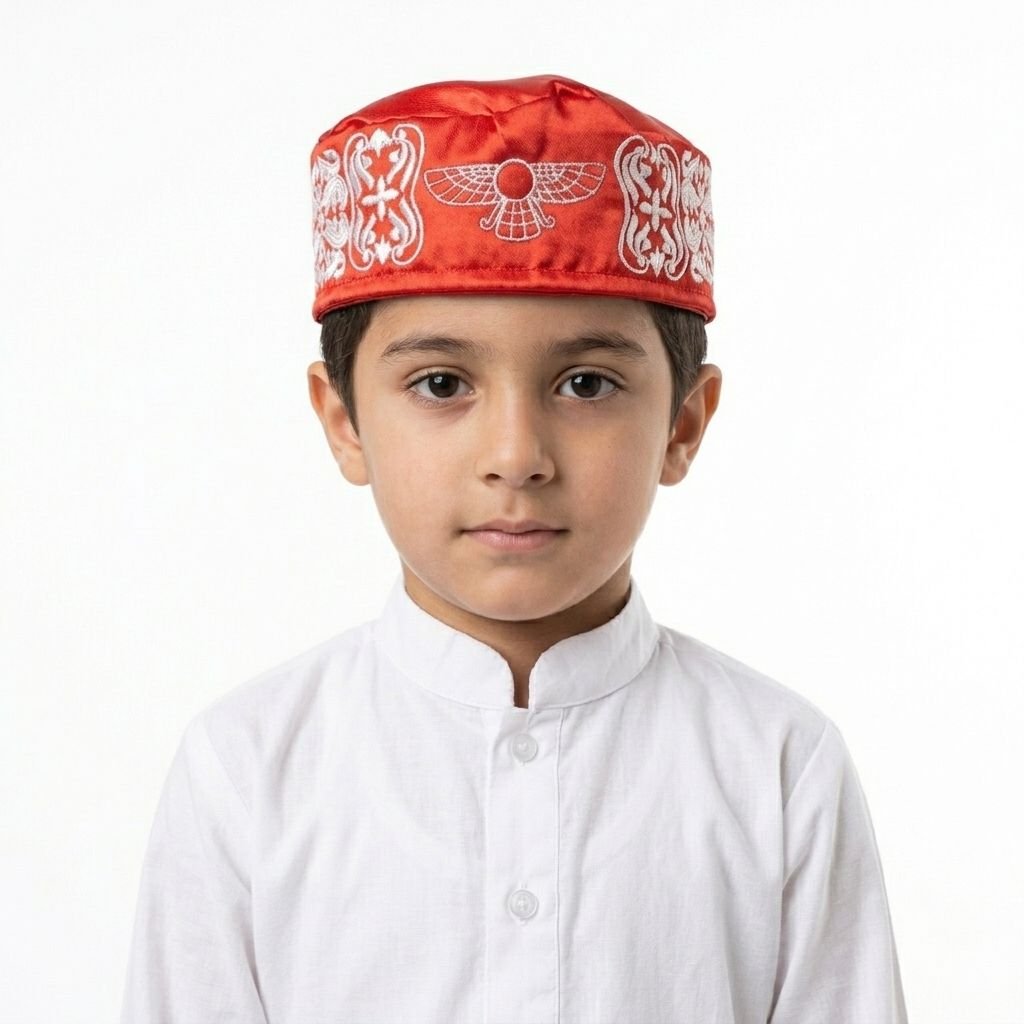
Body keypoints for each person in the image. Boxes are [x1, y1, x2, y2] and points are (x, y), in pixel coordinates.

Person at [118, 74, 909, 1023]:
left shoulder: (779, 767)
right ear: (345, 424)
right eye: (443, 382)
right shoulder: (249, 769)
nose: (516, 457)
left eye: (585, 384)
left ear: (683, 425)